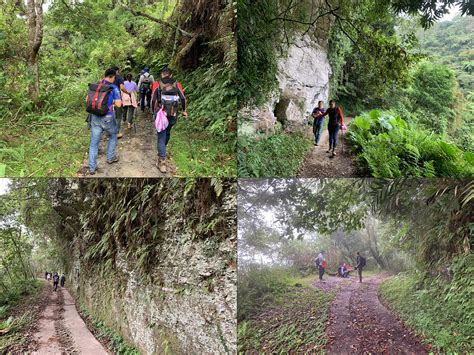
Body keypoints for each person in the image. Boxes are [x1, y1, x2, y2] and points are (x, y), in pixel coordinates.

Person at [86, 68, 122, 175]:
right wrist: (110, 104)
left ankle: (92, 168)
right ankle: (110, 157)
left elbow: (87, 99)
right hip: (108, 117)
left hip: (95, 117)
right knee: (113, 134)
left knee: (94, 143)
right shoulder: (113, 88)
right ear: (111, 77)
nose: (114, 79)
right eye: (114, 77)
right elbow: (119, 105)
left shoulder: (96, 86)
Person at [151, 67, 187, 173]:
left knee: (161, 136)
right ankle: (162, 152)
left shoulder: (157, 84)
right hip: (173, 114)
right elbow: (183, 98)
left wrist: (154, 113)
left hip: (161, 113)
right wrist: (184, 110)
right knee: (167, 132)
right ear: (170, 75)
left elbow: (153, 100)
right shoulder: (177, 84)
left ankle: (162, 161)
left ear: (162, 74)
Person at [111, 66, 130, 139]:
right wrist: (127, 92)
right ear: (117, 71)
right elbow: (122, 87)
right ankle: (116, 132)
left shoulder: (106, 77)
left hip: (108, 99)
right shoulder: (118, 77)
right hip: (116, 98)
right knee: (118, 116)